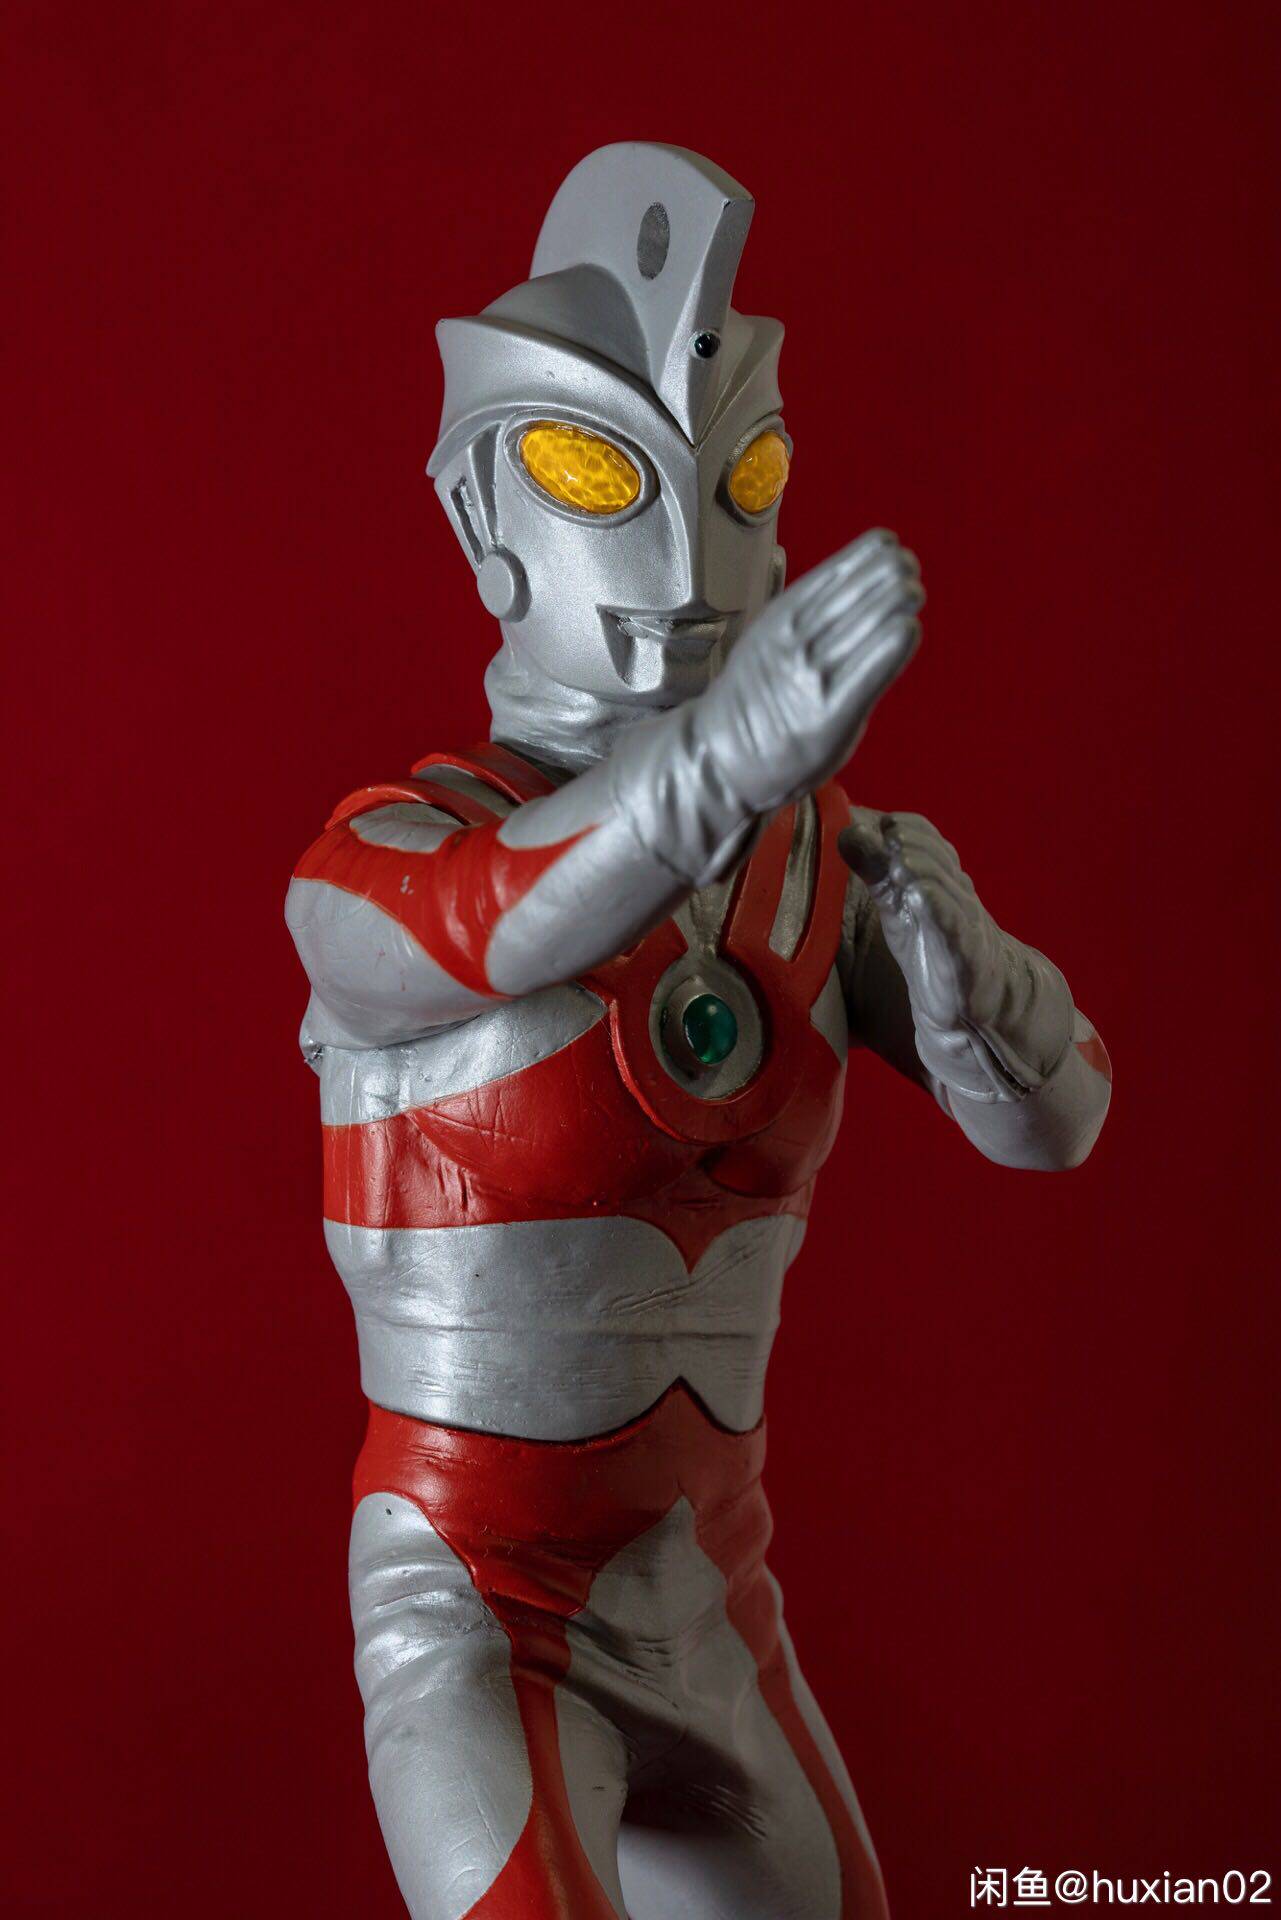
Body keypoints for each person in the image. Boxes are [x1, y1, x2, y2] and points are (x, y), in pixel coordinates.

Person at [286, 143, 1111, 1920]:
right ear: (480, 518)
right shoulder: (388, 858)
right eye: (597, 473)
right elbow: (480, 923)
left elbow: (1059, 1123)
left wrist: (972, 985)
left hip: (716, 1601)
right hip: (474, 1610)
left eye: (743, 477)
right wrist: (724, 759)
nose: (685, 554)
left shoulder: (824, 861)